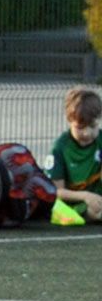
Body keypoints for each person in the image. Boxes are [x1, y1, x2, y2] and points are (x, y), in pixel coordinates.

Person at [47, 85, 102, 223]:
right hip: (75, 203)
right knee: (95, 211)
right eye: (80, 128)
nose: (87, 133)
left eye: (93, 126)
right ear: (70, 120)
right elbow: (56, 192)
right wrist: (86, 196)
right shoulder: (59, 148)